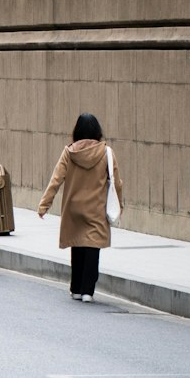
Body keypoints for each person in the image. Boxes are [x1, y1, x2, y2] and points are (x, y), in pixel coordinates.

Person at [38, 113, 123, 303]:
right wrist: (120, 206)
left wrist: (44, 204)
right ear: (97, 131)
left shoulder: (69, 152)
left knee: (77, 244)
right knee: (92, 247)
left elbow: (56, 179)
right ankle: (87, 291)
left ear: (77, 131)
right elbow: (117, 183)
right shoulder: (106, 153)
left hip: (73, 207)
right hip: (96, 208)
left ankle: (75, 288)